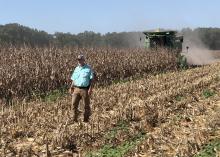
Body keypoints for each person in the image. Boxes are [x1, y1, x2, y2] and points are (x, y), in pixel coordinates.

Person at [69, 54, 94, 122]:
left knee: (86, 105)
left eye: (80, 59)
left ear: (84, 60)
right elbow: (74, 79)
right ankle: (74, 119)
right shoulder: (76, 68)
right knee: (73, 104)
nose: (79, 61)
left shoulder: (88, 68)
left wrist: (90, 89)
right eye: (78, 59)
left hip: (85, 89)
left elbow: (91, 80)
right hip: (76, 89)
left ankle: (86, 120)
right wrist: (71, 87)